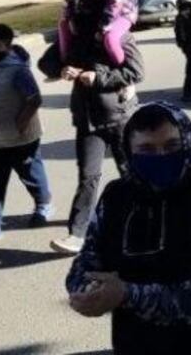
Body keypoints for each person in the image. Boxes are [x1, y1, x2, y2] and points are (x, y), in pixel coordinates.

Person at [65, 103, 191, 354]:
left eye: (172, 146)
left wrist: (127, 295)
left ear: (188, 143)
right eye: (147, 150)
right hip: (135, 343)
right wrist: (86, 291)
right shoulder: (116, 196)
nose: (161, 157)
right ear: (129, 152)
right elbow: (88, 259)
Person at [41, 25, 145, 255]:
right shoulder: (73, 36)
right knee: (88, 176)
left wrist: (99, 78)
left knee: (130, 173)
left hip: (119, 116)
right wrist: (62, 69)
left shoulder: (119, 34)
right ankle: (77, 234)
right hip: (87, 120)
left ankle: (148, 222)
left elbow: (136, 72)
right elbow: (45, 63)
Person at [0, 24, 52, 248]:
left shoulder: (18, 71)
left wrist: (20, 123)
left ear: (7, 46)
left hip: (21, 139)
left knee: (31, 175)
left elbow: (34, 99)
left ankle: (43, 203)